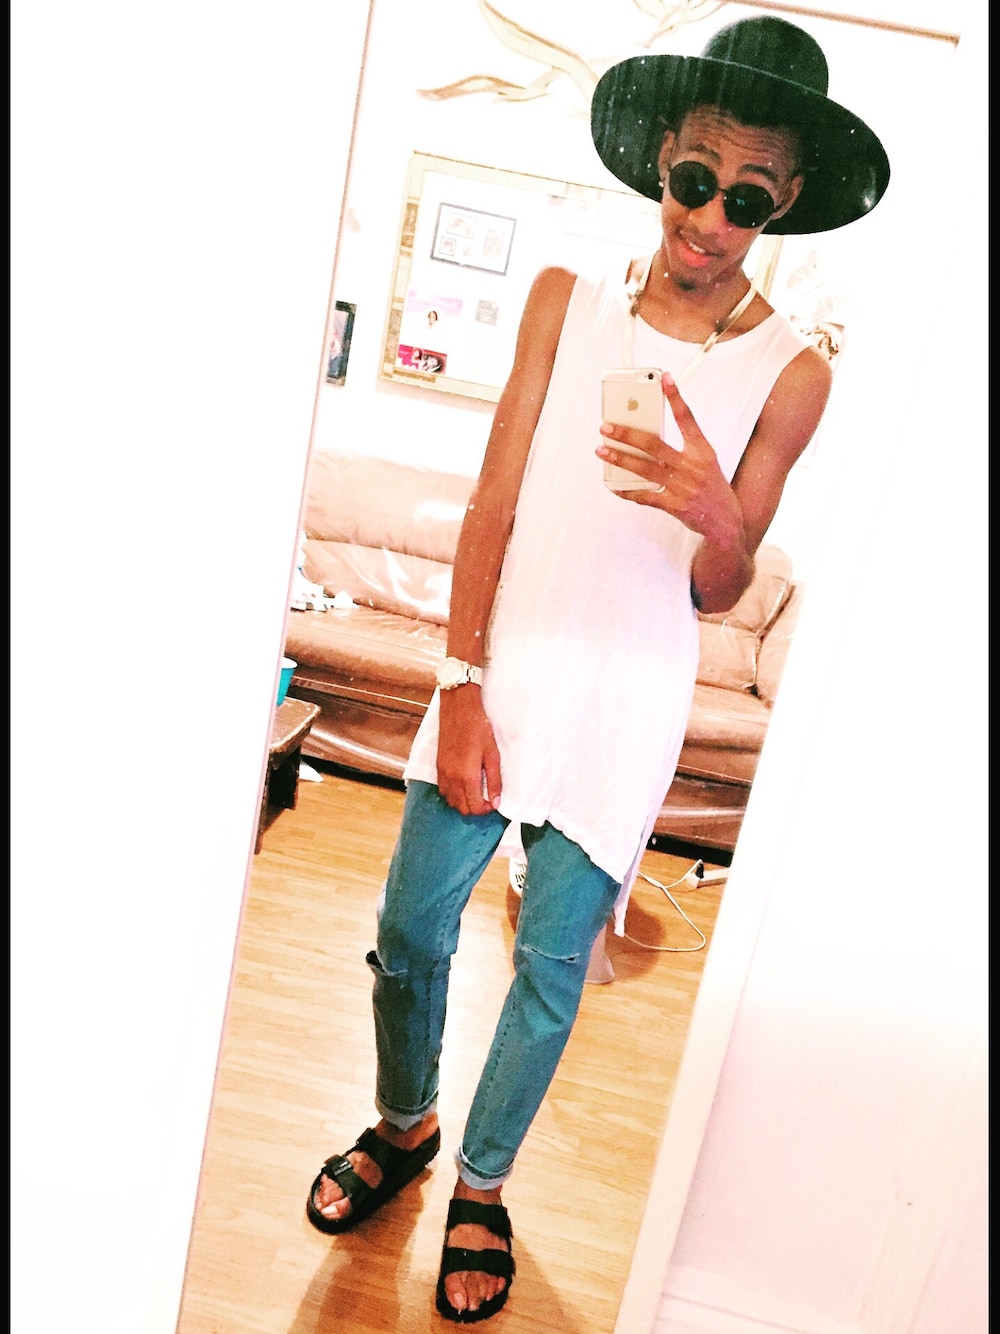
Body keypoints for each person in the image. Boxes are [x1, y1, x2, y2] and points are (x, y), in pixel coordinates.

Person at [305, 15, 889, 1323]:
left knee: (553, 968)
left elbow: (714, 587)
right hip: (504, 670)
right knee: (409, 932)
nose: (710, 221)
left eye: (748, 199)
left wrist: (721, 515)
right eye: (695, 179)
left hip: (630, 704)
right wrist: (461, 679)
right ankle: (405, 1122)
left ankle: (483, 1184)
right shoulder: (565, 299)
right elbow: (495, 503)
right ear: (662, 156)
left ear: (787, 198)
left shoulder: (792, 375)